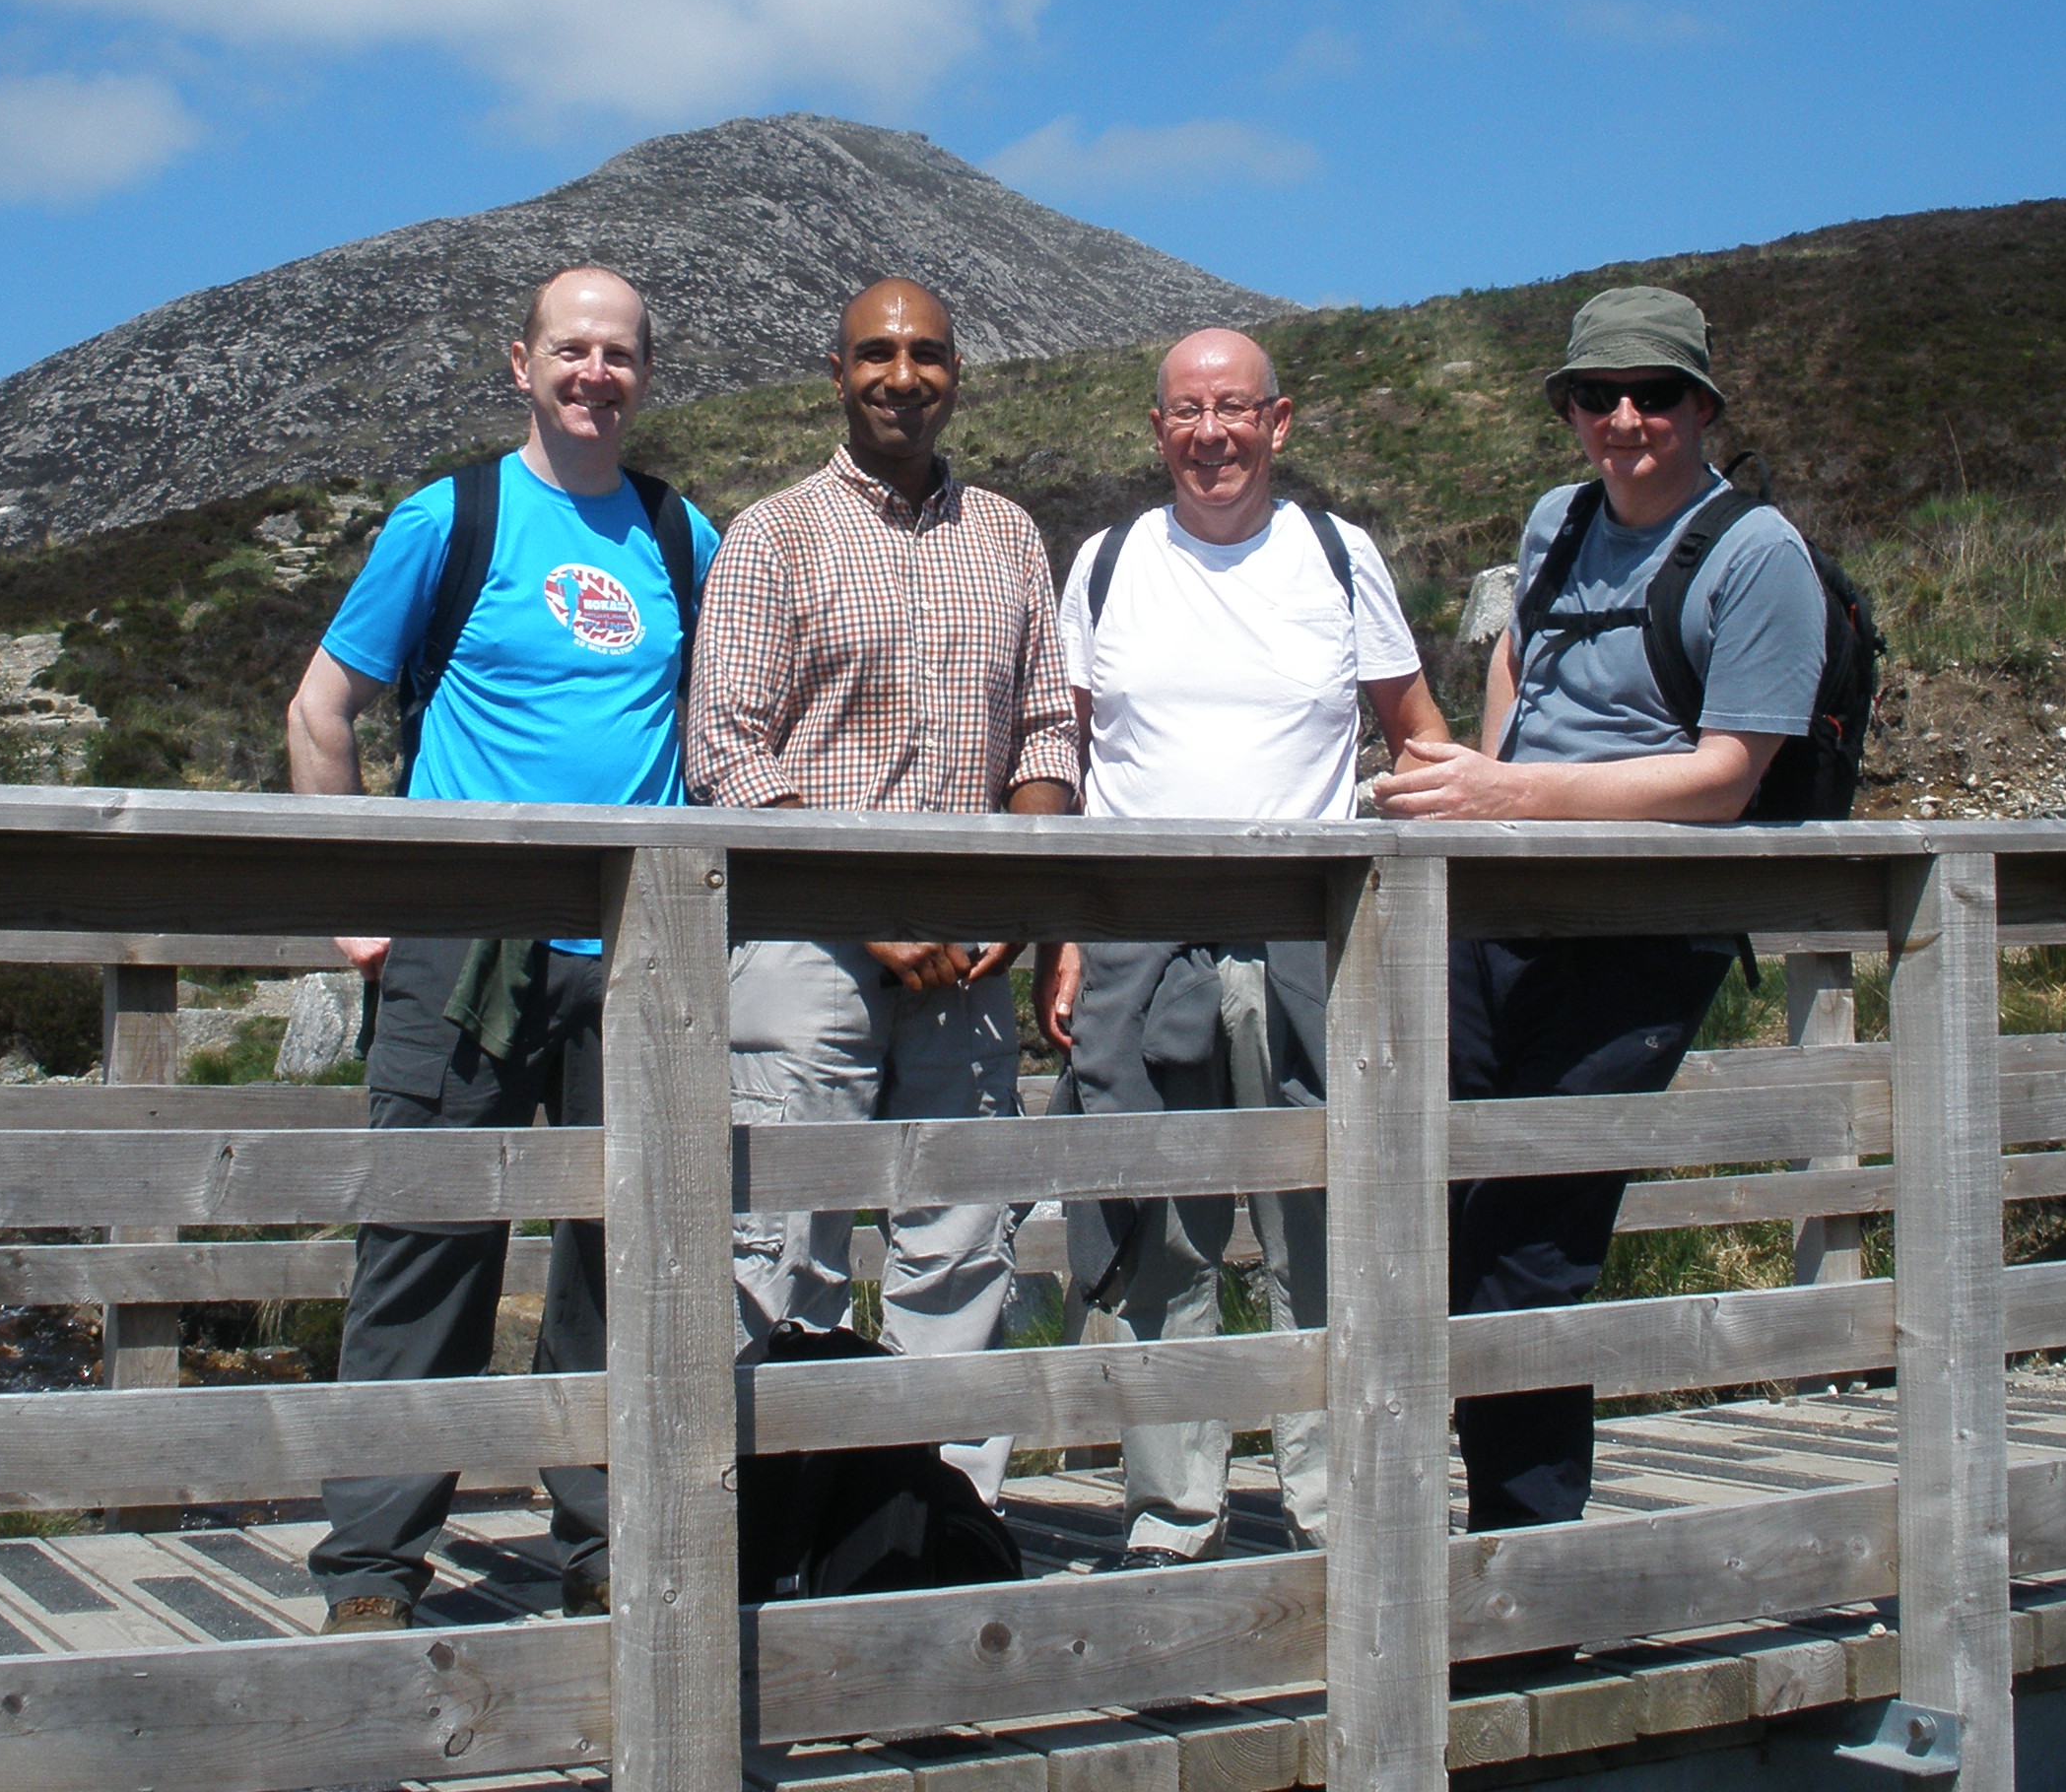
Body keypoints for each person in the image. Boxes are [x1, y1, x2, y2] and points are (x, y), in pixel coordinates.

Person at [284, 266, 719, 1630]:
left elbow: (721, 717)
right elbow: (321, 707)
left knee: (624, 1257)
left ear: (647, 374)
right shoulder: (452, 519)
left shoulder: (675, 529)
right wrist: (361, 904)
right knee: (428, 1245)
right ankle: (373, 1566)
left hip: (637, 956)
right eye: (571, 349)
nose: (596, 373)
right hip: (464, 950)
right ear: (519, 362)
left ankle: (606, 1547)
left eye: (620, 354)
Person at [1372, 285, 1824, 1531]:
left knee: (1531, 1237)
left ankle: (1525, 1564)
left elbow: (1729, 774)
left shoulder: (1756, 554)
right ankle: (1434, 1528)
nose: (1625, 419)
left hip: (1639, 932)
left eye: (1656, 395)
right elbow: (1519, 647)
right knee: (1427, 1203)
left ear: (1703, 404)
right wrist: (1489, 793)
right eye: (1595, 395)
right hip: (1497, 913)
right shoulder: (1556, 522)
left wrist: (1508, 790)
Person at [1040, 327, 1444, 1565]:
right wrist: (1064, 938)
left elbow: (1413, 731)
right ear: (1156, 429)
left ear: (1280, 423)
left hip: (1307, 935)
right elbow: (1067, 753)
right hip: (1136, 939)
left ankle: (1340, 1509)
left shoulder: (1340, 557)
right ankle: (1174, 1515)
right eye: (1186, 412)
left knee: (1322, 1222)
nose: (1210, 433)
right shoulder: (1104, 566)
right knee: (1160, 1228)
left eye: (1235, 409)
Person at [685, 276, 1077, 1506]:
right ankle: (763, 1530)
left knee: (960, 1244)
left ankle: (940, 1537)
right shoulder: (774, 534)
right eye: (875, 354)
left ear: (958, 370)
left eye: (926, 354)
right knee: (772, 1244)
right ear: (837, 371)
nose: (901, 375)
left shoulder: (1009, 535)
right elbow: (727, 753)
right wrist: (868, 908)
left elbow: (1049, 731)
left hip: (964, 958)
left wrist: (1021, 886)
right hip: (807, 947)